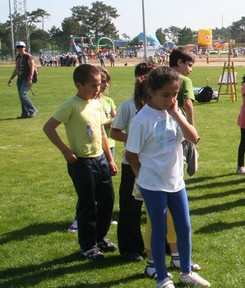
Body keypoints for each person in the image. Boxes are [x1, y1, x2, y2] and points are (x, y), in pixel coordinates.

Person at [125, 67, 210, 288]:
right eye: (166, 95)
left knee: (184, 227)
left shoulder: (174, 112)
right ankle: (162, 278)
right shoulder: (142, 120)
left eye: (175, 94)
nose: (171, 99)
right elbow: (131, 153)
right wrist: (139, 176)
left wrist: (176, 113)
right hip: (152, 184)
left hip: (176, 181)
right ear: (151, 91)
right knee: (159, 228)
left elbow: (193, 138)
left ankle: (186, 272)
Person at [42, 64, 117, 260]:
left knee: (107, 201)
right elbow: (49, 127)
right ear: (78, 85)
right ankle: (88, 246)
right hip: (82, 163)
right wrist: (65, 150)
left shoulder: (96, 104)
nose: (97, 89)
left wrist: (110, 159)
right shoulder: (71, 105)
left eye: (99, 85)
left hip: (100, 159)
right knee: (87, 205)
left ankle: (100, 238)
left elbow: (101, 132)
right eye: (92, 85)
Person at [111, 62, 155, 262]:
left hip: (155, 164)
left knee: (158, 208)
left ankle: (159, 245)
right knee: (130, 208)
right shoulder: (128, 106)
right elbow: (114, 132)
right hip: (132, 164)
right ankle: (131, 249)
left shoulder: (160, 105)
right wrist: (134, 139)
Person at [169, 47, 199, 176]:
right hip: (179, 123)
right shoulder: (185, 80)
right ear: (180, 62)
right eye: (189, 65)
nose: (191, 69)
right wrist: (191, 125)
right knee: (181, 157)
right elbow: (188, 103)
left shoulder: (162, 76)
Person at [8, 41, 38, 119]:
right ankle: (24, 113)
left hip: (27, 78)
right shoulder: (18, 57)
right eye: (18, 47)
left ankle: (33, 110)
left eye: (21, 47)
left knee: (23, 94)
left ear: (25, 47)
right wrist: (11, 78)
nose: (20, 48)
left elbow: (32, 68)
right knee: (21, 96)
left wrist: (30, 78)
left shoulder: (28, 56)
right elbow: (16, 68)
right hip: (20, 78)